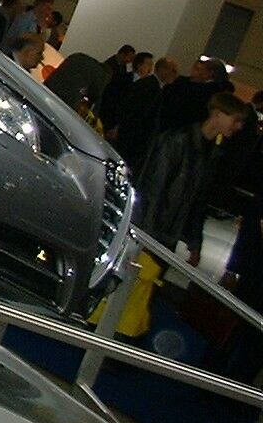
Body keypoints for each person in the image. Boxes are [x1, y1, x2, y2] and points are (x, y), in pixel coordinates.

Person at [136, 91, 250, 265]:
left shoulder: (209, 151)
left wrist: (195, 243)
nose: (239, 126)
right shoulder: (179, 141)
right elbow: (153, 189)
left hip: (165, 233)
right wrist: (146, 234)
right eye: (236, 120)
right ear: (217, 114)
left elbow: (198, 199)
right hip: (154, 231)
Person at [99, 44, 137, 128]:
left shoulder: (125, 68)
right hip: (106, 101)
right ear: (123, 55)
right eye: (130, 58)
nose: (130, 61)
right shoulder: (109, 65)